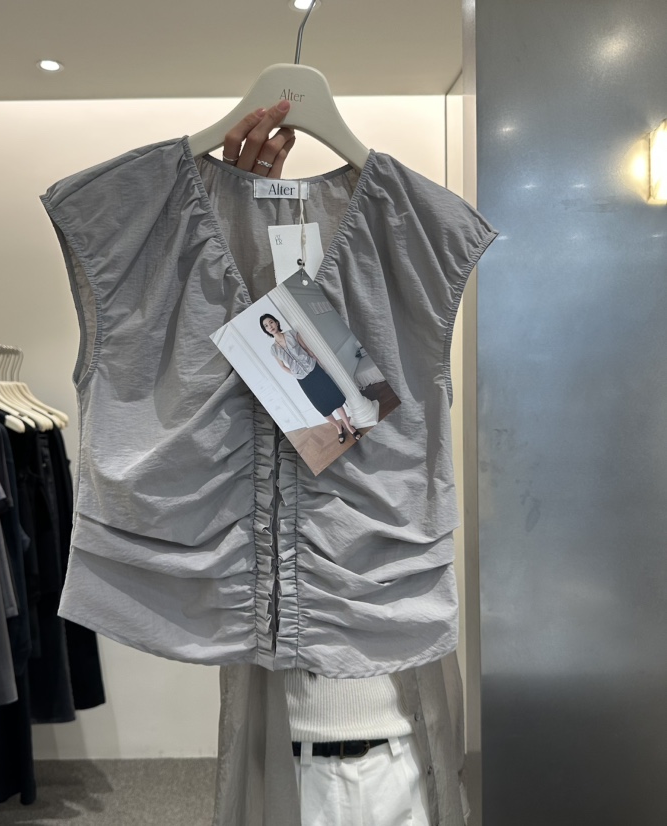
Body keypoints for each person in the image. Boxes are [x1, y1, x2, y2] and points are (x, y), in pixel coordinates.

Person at [213, 103, 452, 826]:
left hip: (399, 745)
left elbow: (363, 433)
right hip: (285, 751)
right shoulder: (224, 298)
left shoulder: (414, 256)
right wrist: (246, 225)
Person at [260, 313, 360, 444]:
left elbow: (307, 349)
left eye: (271, 322)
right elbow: (282, 366)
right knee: (322, 407)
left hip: (314, 369)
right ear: (266, 330)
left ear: (277, 322)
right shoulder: (273, 350)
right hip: (303, 379)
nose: (270, 326)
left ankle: (348, 426)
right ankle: (338, 427)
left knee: (334, 398)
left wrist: (318, 363)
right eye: (266, 326)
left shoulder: (292, 334)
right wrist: (295, 373)